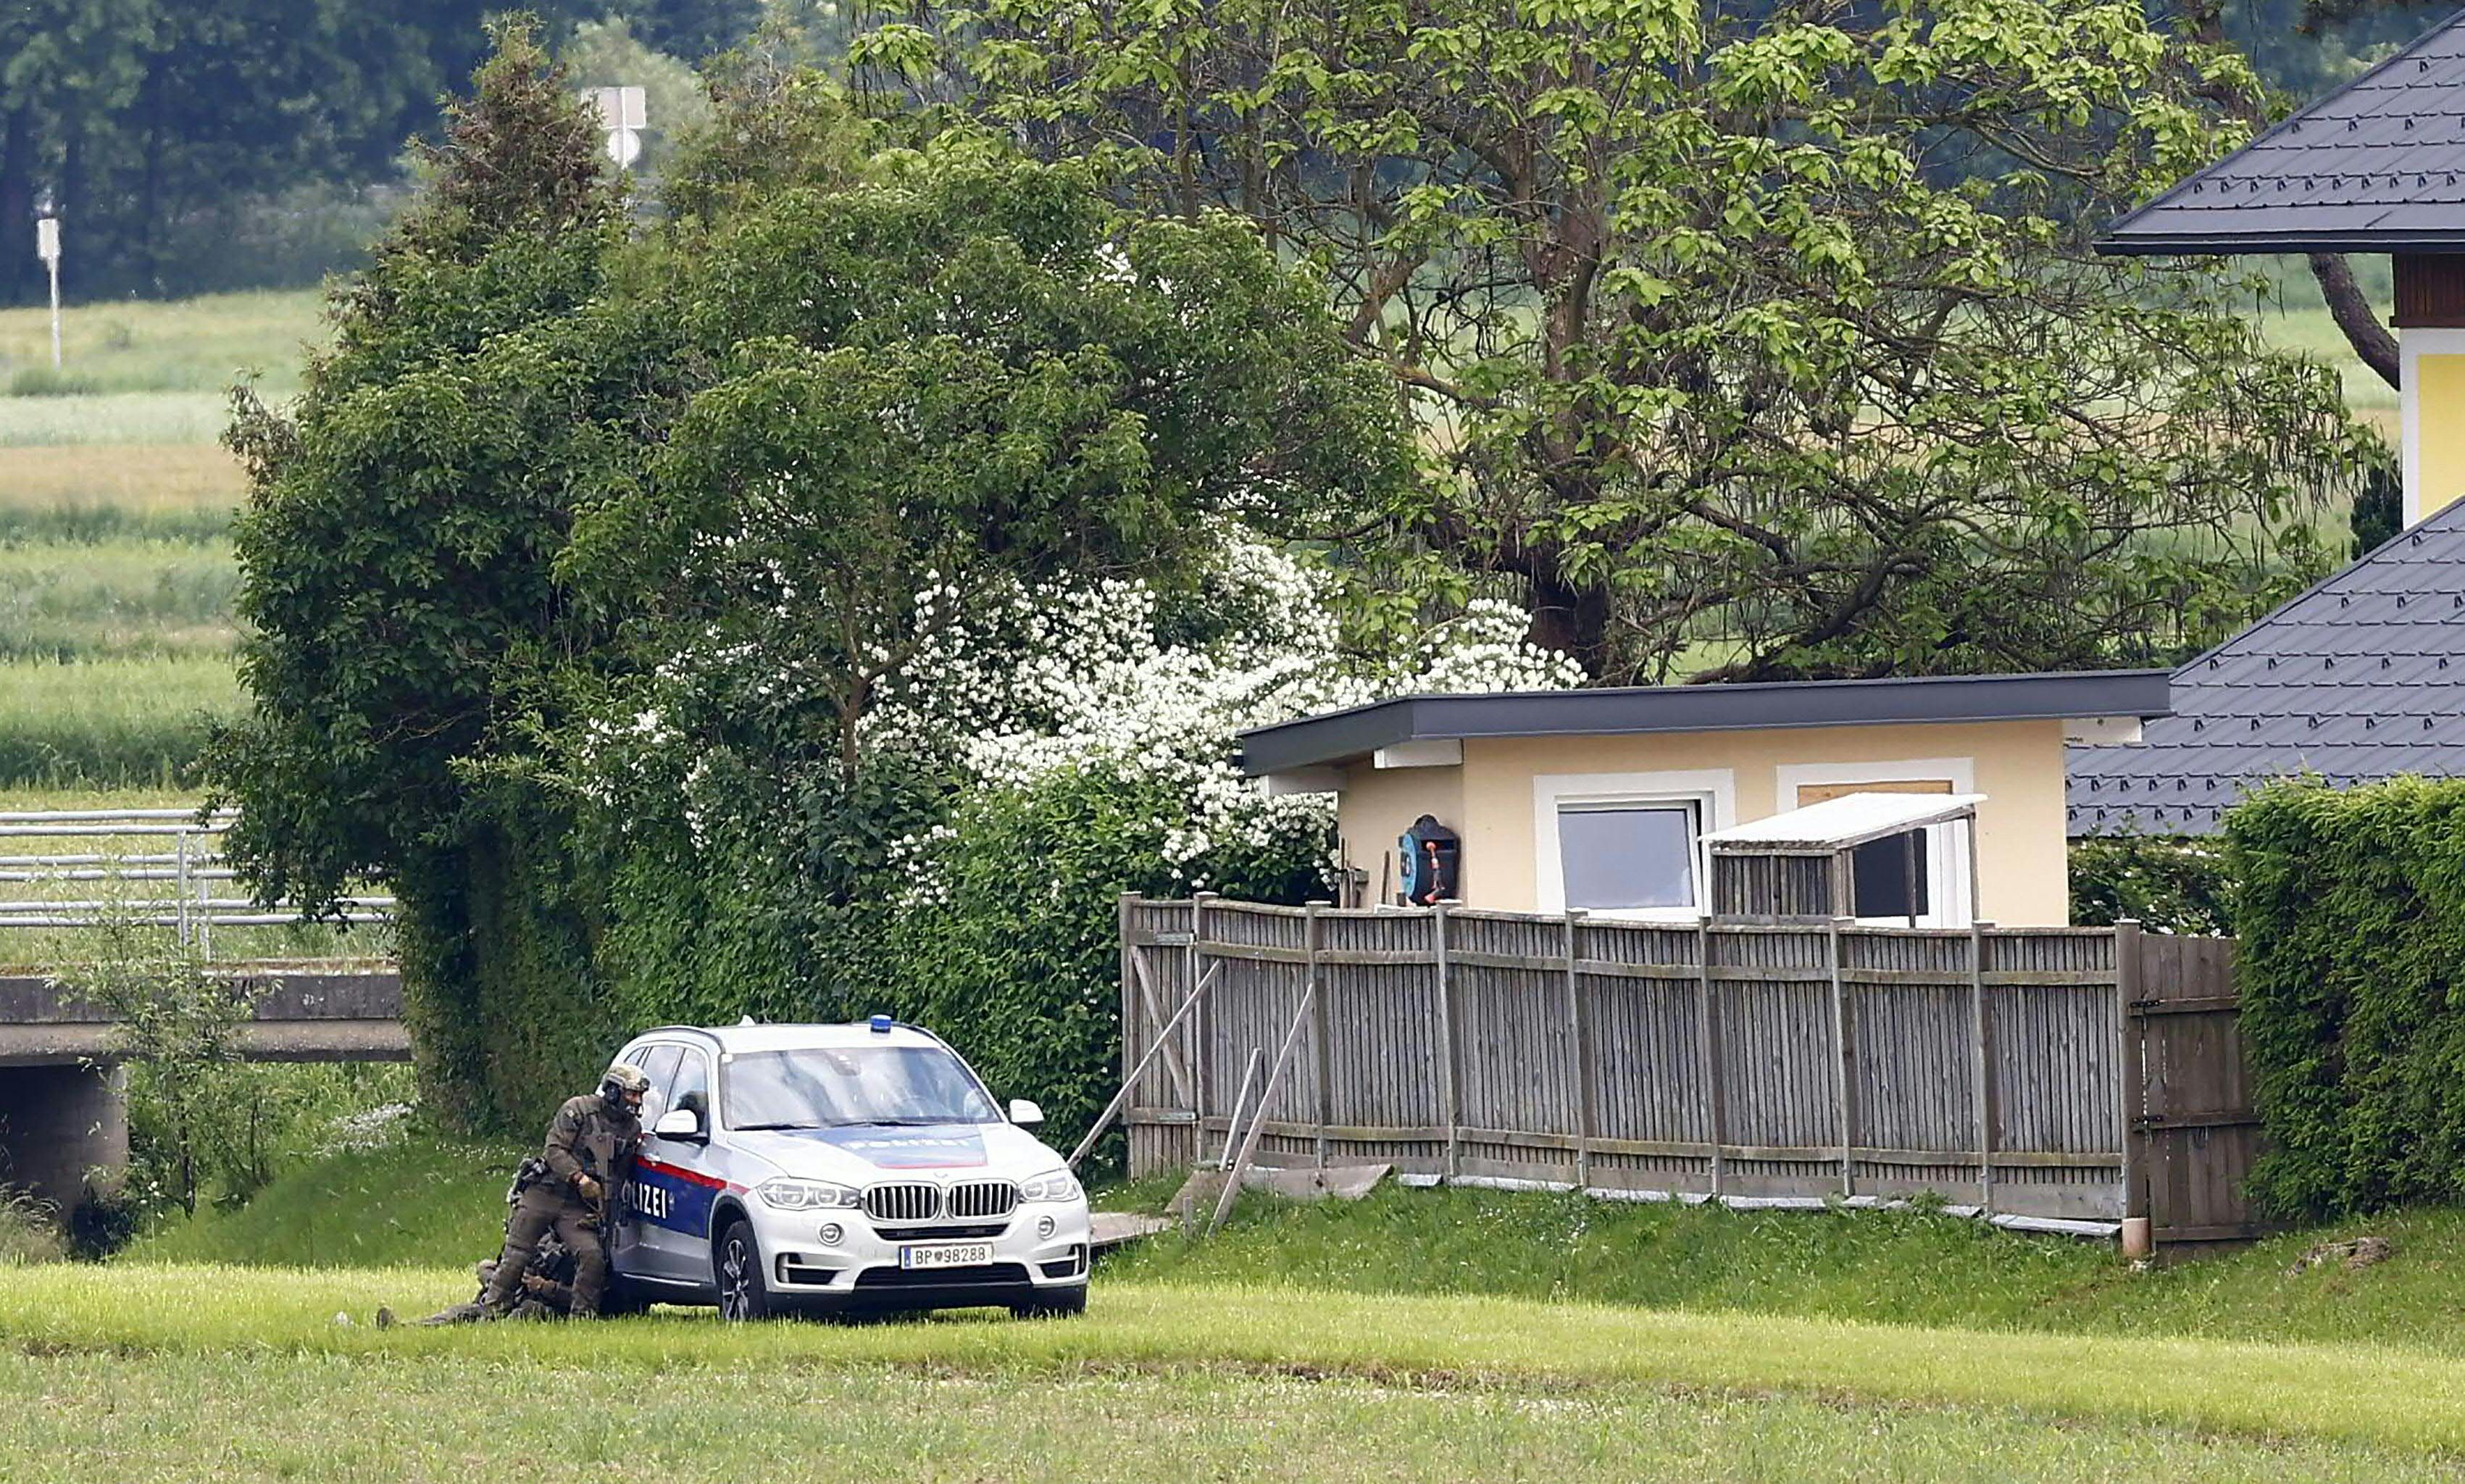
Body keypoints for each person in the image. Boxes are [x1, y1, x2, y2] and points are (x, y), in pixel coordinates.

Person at [479, 1062, 648, 1320]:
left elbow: (618, 1175)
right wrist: (579, 1178)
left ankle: (582, 1318)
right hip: (545, 1192)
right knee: (517, 1253)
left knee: (592, 1256)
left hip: (577, 1207)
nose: (636, 1101)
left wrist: (604, 1210)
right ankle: (492, 1311)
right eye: (631, 1094)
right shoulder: (578, 1110)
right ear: (613, 1091)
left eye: (639, 1095)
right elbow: (554, 1150)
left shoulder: (631, 1130)